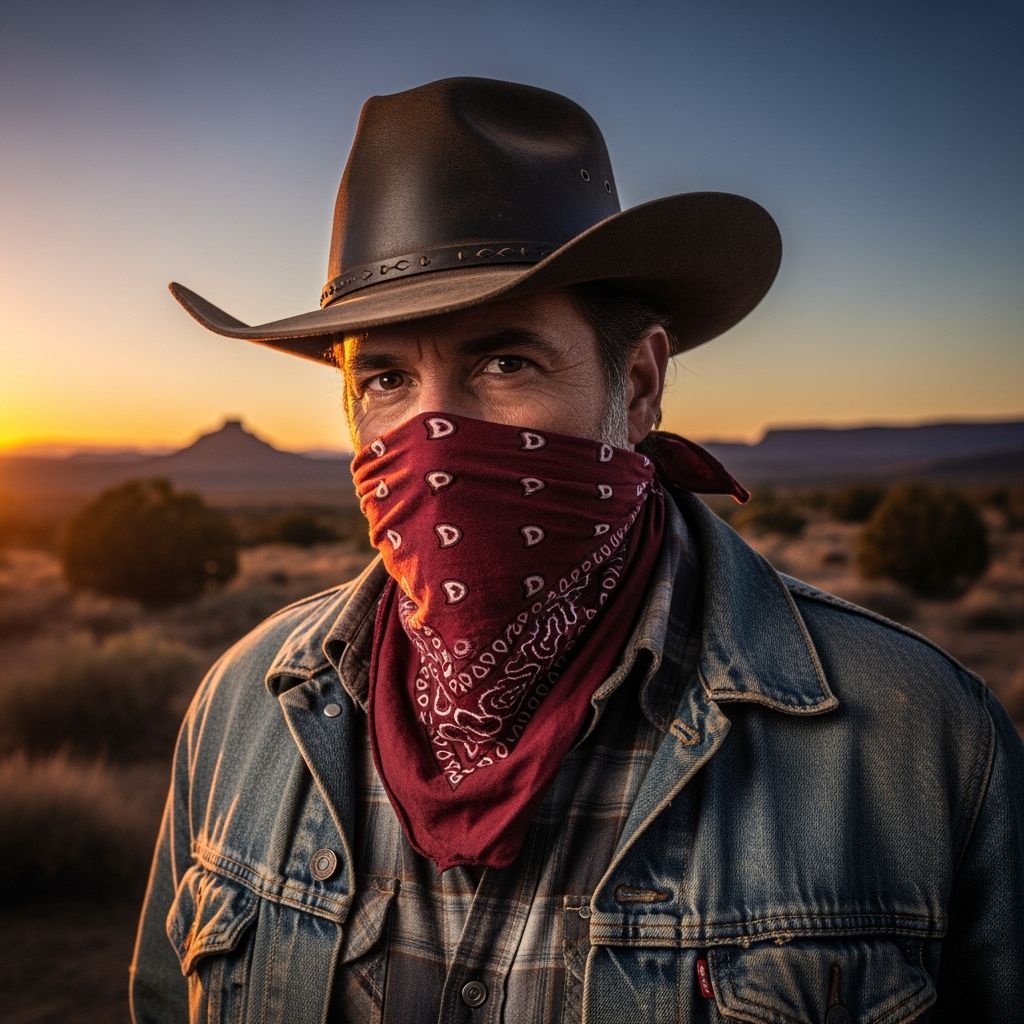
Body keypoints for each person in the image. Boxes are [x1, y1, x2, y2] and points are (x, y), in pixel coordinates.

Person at [130, 77, 1023, 1023]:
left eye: (504, 362)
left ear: (637, 387)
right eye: (387, 377)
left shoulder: (921, 745)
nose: (435, 440)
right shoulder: (244, 710)